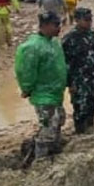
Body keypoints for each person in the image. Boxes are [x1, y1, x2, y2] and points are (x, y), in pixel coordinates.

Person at [15, 11, 67, 158]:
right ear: (45, 25)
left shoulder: (54, 43)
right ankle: (40, 158)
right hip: (43, 95)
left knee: (58, 122)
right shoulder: (32, 46)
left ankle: (55, 152)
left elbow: (60, 66)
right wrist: (26, 88)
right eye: (56, 25)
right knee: (48, 128)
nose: (59, 28)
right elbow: (25, 70)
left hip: (56, 93)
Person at [62, 7, 94, 134]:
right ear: (77, 20)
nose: (89, 22)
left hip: (93, 77)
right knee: (80, 107)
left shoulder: (92, 33)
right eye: (86, 20)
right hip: (78, 80)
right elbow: (65, 63)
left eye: (90, 19)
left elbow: (93, 53)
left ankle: (90, 128)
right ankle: (80, 132)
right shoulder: (69, 39)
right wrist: (70, 83)